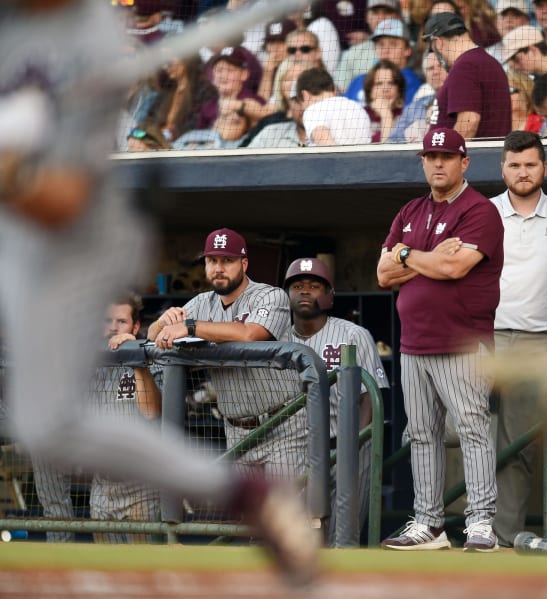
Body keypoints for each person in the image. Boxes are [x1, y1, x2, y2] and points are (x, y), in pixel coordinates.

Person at [0, 0, 315, 583]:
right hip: (17, 237)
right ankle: (243, 491)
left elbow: (63, 197)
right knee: (37, 422)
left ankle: (242, 493)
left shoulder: (90, 34)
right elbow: (162, 329)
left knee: (43, 422)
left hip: (78, 233)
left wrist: (12, 168)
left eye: (226, 259)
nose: (217, 266)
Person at [377, 128, 504, 552]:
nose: (437, 162)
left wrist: (405, 255)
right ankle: (429, 524)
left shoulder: (479, 210)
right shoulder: (410, 210)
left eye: (447, 156)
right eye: (431, 155)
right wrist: (417, 258)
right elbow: (382, 275)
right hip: (414, 343)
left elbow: (455, 270)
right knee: (422, 433)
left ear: (463, 162)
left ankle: (481, 521)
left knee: (472, 428)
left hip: (462, 341)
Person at [148, 228, 307, 481]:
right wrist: (162, 322)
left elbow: (250, 334)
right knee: (247, 518)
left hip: (282, 425)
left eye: (227, 260)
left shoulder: (270, 295)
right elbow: (151, 334)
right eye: (212, 261)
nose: (218, 268)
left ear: (244, 263)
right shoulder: (201, 303)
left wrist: (190, 326)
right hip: (235, 429)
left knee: (284, 512)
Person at [489, 131, 547, 548]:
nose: (523, 172)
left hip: (540, 342)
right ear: (502, 168)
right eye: (515, 165)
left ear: (545, 168)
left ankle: (505, 539)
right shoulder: (481, 213)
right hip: (483, 341)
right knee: (441, 432)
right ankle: (445, 525)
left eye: (531, 165)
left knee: (518, 444)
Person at [282, 257, 389, 545]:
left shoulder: (353, 334)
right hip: (296, 449)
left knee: (344, 536)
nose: (305, 291)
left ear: (329, 295)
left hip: (346, 444)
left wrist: (354, 442)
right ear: (287, 295)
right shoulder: (276, 338)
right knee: (303, 539)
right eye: (298, 286)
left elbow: (371, 397)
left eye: (314, 286)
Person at [89, 292, 162, 544]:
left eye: (121, 321)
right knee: (105, 564)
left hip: (140, 484)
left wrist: (135, 358)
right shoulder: (90, 362)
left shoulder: (151, 356)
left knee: (143, 568)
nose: (113, 328)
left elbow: (152, 412)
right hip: (101, 484)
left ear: (135, 326)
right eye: (107, 320)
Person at [422, 12, 510, 139]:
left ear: (438, 42)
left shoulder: (464, 66)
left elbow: (469, 122)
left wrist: (451, 157)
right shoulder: (489, 62)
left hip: (474, 157)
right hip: (487, 154)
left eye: (432, 48)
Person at [345, 18, 423, 107]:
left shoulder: (411, 81)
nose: (385, 50)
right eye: (381, 44)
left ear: (407, 50)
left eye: (393, 44)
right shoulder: (359, 80)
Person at [196, 45, 271, 132]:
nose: (223, 76)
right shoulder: (208, 106)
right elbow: (198, 137)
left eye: (230, 70)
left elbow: (266, 118)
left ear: (244, 75)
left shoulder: (254, 100)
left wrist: (238, 106)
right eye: (219, 70)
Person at [335, 0, 403, 93]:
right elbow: (340, 93)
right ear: (367, 17)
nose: (381, 18)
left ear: (398, 16)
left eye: (387, 12)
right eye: (375, 13)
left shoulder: (410, 50)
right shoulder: (352, 54)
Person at [147, 54, 217, 143]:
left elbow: (200, 123)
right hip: (157, 144)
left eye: (170, 63)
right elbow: (149, 119)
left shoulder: (204, 90)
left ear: (187, 60)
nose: (166, 67)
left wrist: (176, 132)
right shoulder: (166, 90)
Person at [294, 67, 371, 145]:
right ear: (334, 90)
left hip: (337, 157)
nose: (304, 108)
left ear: (305, 95)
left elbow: (323, 139)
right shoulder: (357, 107)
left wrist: (339, 157)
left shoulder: (312, 110)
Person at [389, 50, 449, 143]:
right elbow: (392, 141)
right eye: (430, 68)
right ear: (426, 76)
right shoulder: (414, 107)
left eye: (440, 66)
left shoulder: (462, 101)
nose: (436, 72)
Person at [362, 60, 406, 142]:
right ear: (370, 90)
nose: (385, 89)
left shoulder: (407, 116)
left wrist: (386, 115)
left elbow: (390, 153)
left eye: (391, 83)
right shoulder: (359, 114)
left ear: (399, 90)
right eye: (379, 83)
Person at [487, 0, 531, 65]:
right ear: (496, 22)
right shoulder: (486, 53)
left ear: (526, 21)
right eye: (504, 14)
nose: (509, 19)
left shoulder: (536, 51)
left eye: (515, 15)